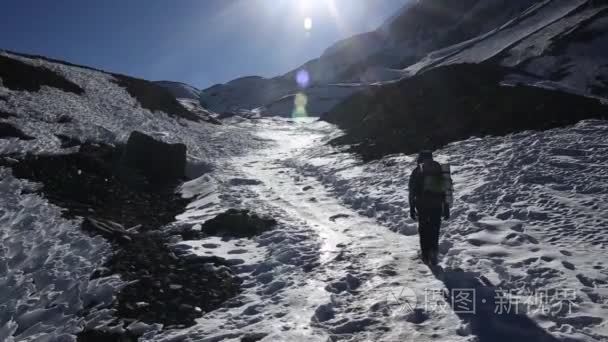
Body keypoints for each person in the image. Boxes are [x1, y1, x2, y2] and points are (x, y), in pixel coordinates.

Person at [409, 150, 450, 265]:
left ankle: (425, 255)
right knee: (434, 229)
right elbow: (446, 189)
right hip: (437, 205)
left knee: (424, 229)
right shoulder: (439, 170)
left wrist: (412, 208)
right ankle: (434, 253)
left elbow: (412, 191)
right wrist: (446, 208)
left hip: (422, 205)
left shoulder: (418, 170)